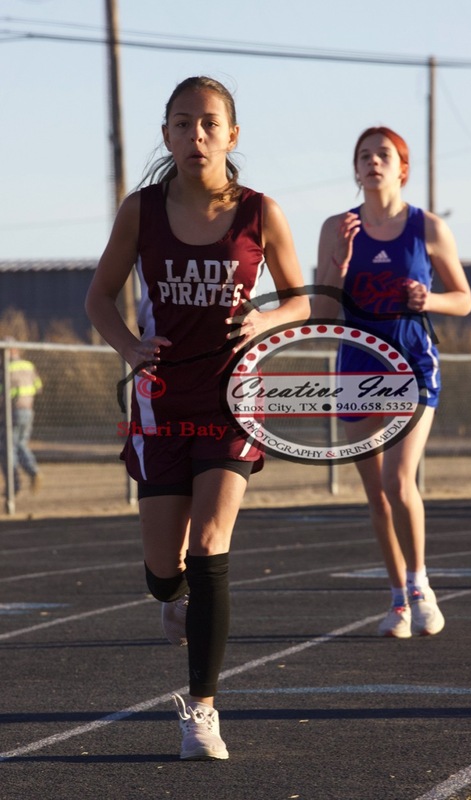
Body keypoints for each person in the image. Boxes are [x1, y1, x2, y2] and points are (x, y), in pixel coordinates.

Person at [85, 76, 309, 760]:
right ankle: (171, 595)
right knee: (164, 566)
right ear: (166, 135)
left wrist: (268, 316)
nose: (196, 135)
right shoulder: (142, 211)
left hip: (233, 400)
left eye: (209, 123)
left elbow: (304, 301)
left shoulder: (259, 212)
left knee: (212, 544)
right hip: (160, 401)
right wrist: (129, 347)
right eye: (182, 124)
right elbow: (99, 298)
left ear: (231, 136)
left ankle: (201, 713)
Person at [314, 126, 471, 639]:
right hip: (358, 362)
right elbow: (322, 309)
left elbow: (464, 299)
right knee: (377, 495)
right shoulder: (337, 227)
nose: (373, 162)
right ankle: (399, 600)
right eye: (364, 155)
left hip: (411, 359)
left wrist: (430, 300)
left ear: (402, 168)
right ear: (355, 170)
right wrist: (337, 265)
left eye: (384, 154)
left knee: (397, 480)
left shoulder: (429, 227)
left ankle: (422, 586)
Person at [1, 341, 43, 495]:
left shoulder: (5, 368)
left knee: (8, 448)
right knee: (21, 444)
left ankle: (13, 485)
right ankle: (33, 470)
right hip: (28, 410)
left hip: (11, 412)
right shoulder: (28, 365)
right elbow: (38, 387)